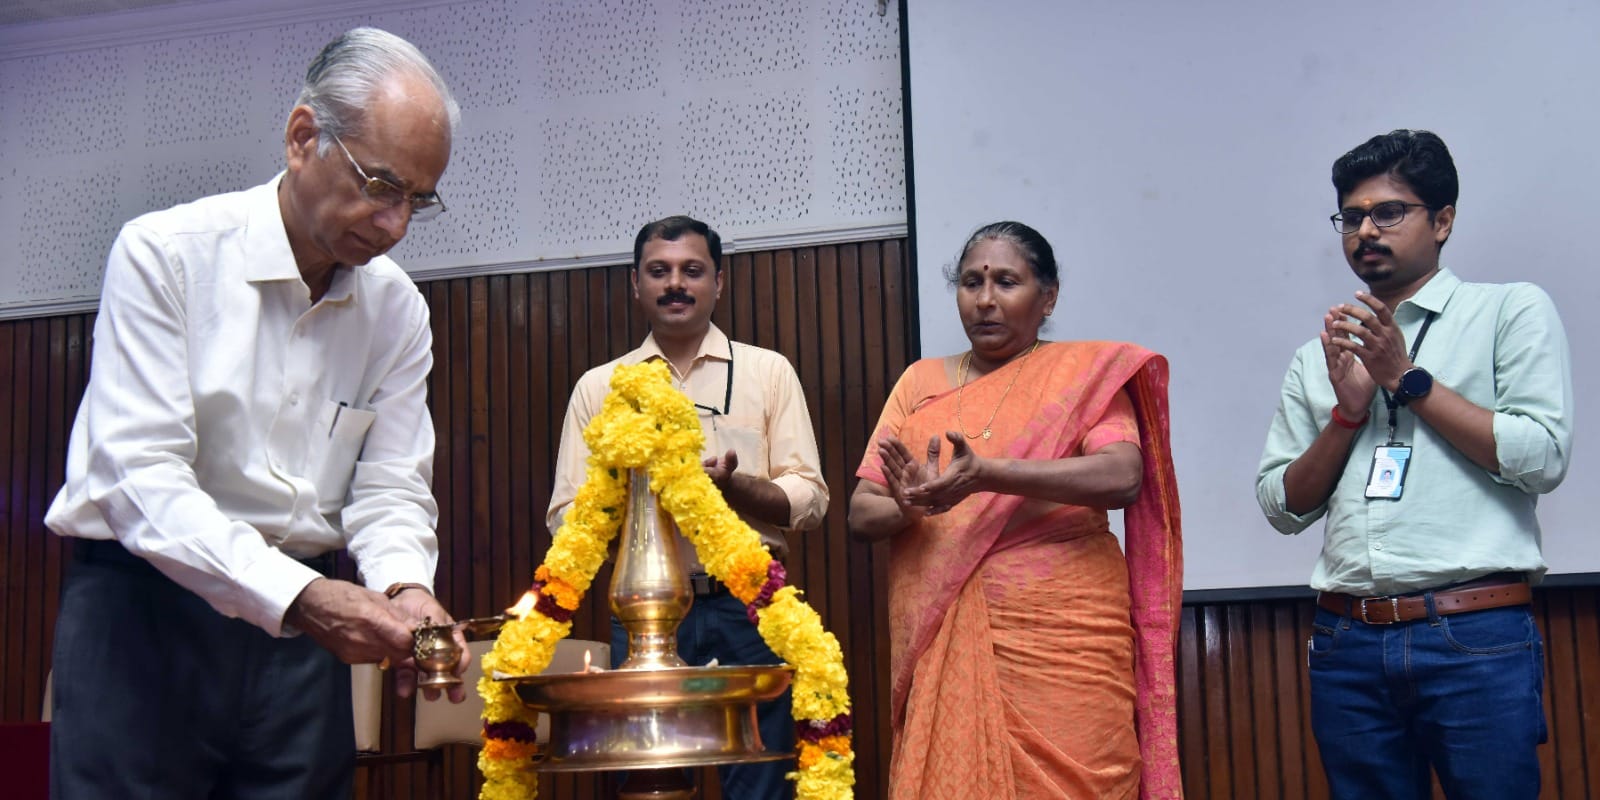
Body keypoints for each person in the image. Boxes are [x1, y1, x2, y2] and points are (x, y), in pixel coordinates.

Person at [45, 27, 470, 798]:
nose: (395, 226)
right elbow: (140, 478)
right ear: (303, 136)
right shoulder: (165, 255)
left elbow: (390, 486)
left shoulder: (396, 308)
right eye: (381, 186)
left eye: (418, 199)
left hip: (303, 646)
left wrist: (407, 586)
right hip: (145, 620)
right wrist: (305, 598)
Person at [1256, 129, 1573, 799]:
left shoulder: (1508, 310)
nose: (1365, 229)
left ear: (1444, 220)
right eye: (1351, 216)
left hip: (1473, 635)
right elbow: (1282, 506)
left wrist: (1407, 378)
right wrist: (1345, 417)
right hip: (1346, 642)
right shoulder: (1320, 356)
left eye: (1388, 212)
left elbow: (1541, 456)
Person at [848, 221, 1183, 800]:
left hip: (1067, 638)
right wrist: (908, 506)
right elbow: (862, 514)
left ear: (1047, 296)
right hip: (947, 624)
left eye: (1007, 281)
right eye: (971, 282)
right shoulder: (920, 382)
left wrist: (987, 475)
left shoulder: (1082, 378)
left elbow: (1122, 476)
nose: (985, 299)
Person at [547, 214, 829, 799]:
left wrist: (733, 489)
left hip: (747, 609)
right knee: (646, 785)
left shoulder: (768, 372)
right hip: (645, 620)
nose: (676, 283)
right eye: (660, 271)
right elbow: (565, 518)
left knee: (762, 786)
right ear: (636, 284)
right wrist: (639, 489)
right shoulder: (600, 387)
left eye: (692, 270)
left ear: (718, 282)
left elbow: (810, 498)